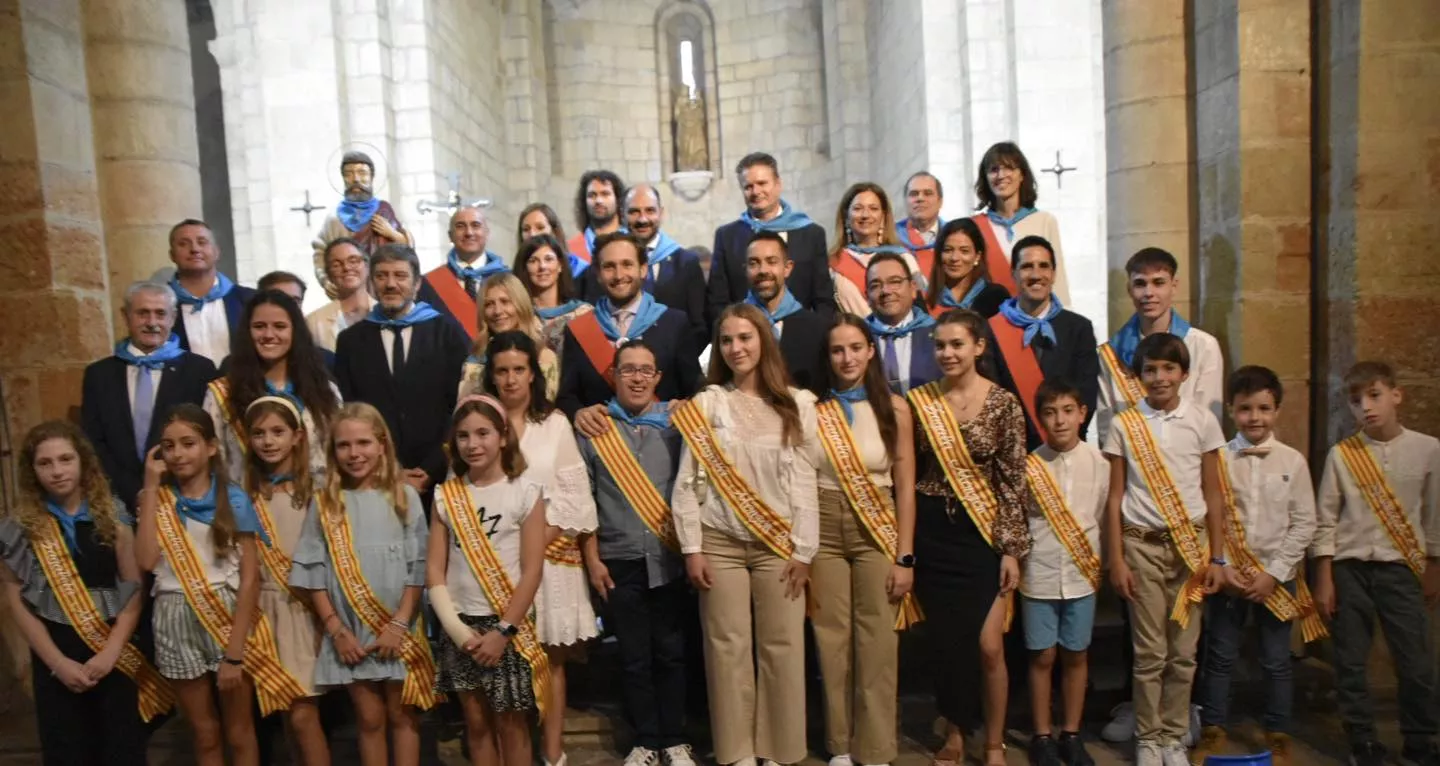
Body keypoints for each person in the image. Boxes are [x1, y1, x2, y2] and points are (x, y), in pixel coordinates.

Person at [672, 303, 819, 766]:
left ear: (764, 342)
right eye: (728, 340)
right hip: (720, 540)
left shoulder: (799, 404)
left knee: (783, 645)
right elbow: (686, 482)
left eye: (745, 338)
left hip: (780, 543)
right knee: (726, 646)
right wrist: (692, 548)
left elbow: (804, 481)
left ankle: (776, 750)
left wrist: (806, 550)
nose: (736, 348)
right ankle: (735, 753)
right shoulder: (707, 403)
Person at [135, 404, 301, 766]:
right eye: (168, 445)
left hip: (227, 617)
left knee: (240, 731)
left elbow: (250, 579)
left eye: (188, 443)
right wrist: (150, 486)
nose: (178, 454)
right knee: (204, 731)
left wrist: (235, 652)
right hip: (174, 615)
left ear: (210, 446)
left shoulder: (234, 498)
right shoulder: (156, 501)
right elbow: (146, 561)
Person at [1, 421, 168, 766]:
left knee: (121, 750)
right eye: (45, 463)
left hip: (112, 655)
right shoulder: (18, 526)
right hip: (56, 661)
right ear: (31, 470)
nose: (57, 471)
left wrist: (110, 653)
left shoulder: (114, 515)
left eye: (65, 459)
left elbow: (133, 588)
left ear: (83, 462)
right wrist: (58, 663)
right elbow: (17, 601)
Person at [905, 309, 1029, 766]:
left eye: (957, 344)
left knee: (988, 645)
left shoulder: (1003, 404)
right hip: (935, 533)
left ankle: (994, 742)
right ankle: (955, 732)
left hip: (983, 535)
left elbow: (1014, 481)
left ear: (979, 346)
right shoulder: (921, 403)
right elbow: (910, 473)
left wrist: (1012, 550)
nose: (948, 353)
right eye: (940, 345)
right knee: (947, 643)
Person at [1102, 333, 1227, 766]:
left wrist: (1218, 556)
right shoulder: (1124, 424)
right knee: (1149, 651)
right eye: (1151, 369)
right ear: (1138, 377)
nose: (1160, 377)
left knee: (1184, 651)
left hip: (1190, 547)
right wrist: (1116, 558)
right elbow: (1115, 496)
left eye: (1168, 369)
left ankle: (1175, 735)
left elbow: (1214, 493)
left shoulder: (1202, 421)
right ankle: (1149, 736)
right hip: (1142, 546)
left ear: (1184, 374)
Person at [289, 403, 438, 766]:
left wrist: (401, 623)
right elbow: (312, 572)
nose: (354, 454)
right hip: (351, 633)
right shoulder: (326, 503)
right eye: (344, 445)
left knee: (403, 716)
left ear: (382, 444)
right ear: (332, 451)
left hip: (399, 628)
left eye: (363, 443)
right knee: (369, 720)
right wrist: (337, 630)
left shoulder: (405, 498)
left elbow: (419, 567)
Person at [1310, 361, 1440, 766]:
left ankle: (1420, 738)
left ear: (1396, 394)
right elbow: (1326, 518)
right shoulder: (1343, 455)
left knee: (1416, 661)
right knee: (1351, 660)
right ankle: (1361, 738)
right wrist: (1324, 575)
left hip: (1401, 568)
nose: (1366, 407)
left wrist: (1433, 566)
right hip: (1350, 570)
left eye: (1375, 395)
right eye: (1356, 400)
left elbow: (1434, 513)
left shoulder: (1428, 449)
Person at [1191, 366, 1322, 766]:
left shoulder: (1293, 461)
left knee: (1276, 659)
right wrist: (1225, 567)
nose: (1255, 417)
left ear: (1277, 410)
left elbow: (1305, 522)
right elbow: (1211, 516)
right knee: (1220, 654)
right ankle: (1213, 727)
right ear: (1231, 410)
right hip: (1229, 574)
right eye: (1246, 408)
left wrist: (1274, 573)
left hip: (1276, 577)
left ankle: (1277, 732)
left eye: (1264, 408)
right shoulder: (1219, 460)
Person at [576, 341, 698, 766]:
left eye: (646, 370)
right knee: (633, 658)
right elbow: (583, 502)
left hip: (669, 558)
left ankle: (675, 739)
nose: (638, 377)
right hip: (618, 560)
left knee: (670, 653)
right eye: (628, 369)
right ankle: (645, 740)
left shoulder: (678, 423)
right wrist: (591, 560)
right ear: (613, 374)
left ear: (658, 377)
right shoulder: (593, 429)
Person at [481, 330, 599, 766]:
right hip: (492, 562)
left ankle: (553, 755)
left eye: (518, 370)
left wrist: (530, 545)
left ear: (533, 374)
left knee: (549, 661)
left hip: (548, 559)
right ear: (490, 377)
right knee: (499, 664)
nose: (510, 379)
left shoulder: (554, 424)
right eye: (502, 371)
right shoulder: (478, 422)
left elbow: (574, 496)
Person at [809, 315, 917, 766]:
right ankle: (839, 745)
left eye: (856, 347)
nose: (847, 358)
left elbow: (906, 485)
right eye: (838, 350)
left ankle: (874, 749)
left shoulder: (895, 409)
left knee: (877, 641)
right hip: (823, 524)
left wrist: (905, 556)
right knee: (831, 641)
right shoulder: (813, 410)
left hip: (877, 526)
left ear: (871, 350)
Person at [429, 395, 549, 766]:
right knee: (476, 724)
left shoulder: (525, 492)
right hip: (462, 628)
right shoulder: (446, 496)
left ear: (502, 436)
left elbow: (532, 569)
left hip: (506, 627)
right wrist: (459, 633)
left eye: (483, 433)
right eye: (463, 436)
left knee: (512, 726)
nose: (473, 444)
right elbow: (435, 570)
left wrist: (503, 631)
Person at [333, 244, 469, 496]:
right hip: (374, 478)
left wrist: (432, 467)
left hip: (440, 476)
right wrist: (390, 470)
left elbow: (459, 406)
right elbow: (351, 412)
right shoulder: (350, 342)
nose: (390, 284)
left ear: (417, 284)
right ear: (371, 283)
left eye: (400, 275)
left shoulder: (447, 334)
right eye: (382, 276)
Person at [1020, 381, 1108, 766]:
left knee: (1076, 653)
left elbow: (1103, 514)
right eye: (1051, 413)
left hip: (1080, 573)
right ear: (1040, 419)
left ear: (1082, 413)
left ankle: (1071, 733)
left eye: (1068, 411)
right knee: (1042, 655)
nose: (1060, 420)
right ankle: (1042, 735)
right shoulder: (1029, 465)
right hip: (1038, 573)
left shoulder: (1101, 463)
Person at [241, 397, 330, 766]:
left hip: (302, 611)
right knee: (284, 715)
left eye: (278, 432)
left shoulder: (316, 494)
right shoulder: (245, 495)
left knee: (303, 714)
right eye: (259, 433)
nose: (268, 441)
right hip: (263, 615)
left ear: (297, 436)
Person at [83, 280, 218, 515]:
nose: (152, 323)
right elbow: (93, 442)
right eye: (142, 313)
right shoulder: (99, 375)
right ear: (126, 316)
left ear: (173, 317)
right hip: (118, 500)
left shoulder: (199, 371)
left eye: (160, 314)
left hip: (183, 498)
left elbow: (207, 439)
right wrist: (134, 491)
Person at [558, 232, 703, 423]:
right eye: (609, 267)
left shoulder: (674, 323)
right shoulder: (579, 329)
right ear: (598, 274)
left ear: (643, 269)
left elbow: (696, 388)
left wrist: (687, 404)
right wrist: (578, 413)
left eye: (627, 264)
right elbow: (567, 397)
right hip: (604, 443)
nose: (619, 276)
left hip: (664, 442)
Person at [204, 290, 341, 483]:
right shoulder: (222, 394)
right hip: (247, 507)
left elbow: (337, 453)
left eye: (279, 326)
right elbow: (214, 462)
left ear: (295, 331)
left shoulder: (325, 390)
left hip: (317, 504)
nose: (269, 335)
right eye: (259, 326)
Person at [1096, 247, 1223, 443]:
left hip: (1188, 460)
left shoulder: (1203, 346)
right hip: (1132, 463)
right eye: (1140, 284)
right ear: (1129, 289)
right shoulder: (1111, 354)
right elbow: (1107, 426)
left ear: (1174, 286)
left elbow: (1209, 421)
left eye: (1158, 283)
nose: (1149, 293)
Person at [987, 236, 1099, 449]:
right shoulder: (991, 329)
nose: (1036, 275)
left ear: (1054, 274)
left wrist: (1064, 440)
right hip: (1012, 452)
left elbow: (1087, 394)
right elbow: (992, 396)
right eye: (1027, 267)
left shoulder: (1079, 328)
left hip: (1065, 449)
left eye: (1043, 266)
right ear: (1014, 274)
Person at [707, 152, 834, 322]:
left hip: (800, 337)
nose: (755, 191)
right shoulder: (727, 236)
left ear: (778, 184)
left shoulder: (811, 234)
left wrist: (815, 336)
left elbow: (823, 299)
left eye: (762, 183)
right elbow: (717, 301)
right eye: (748, 186)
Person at [580, 184, 707, 349]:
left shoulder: (686, 263)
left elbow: (698, 326)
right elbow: (592, 317)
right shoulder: (604, 263)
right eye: (634, 211)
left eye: (650, 211)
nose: (642, 219)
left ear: (661, 213)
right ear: (622, 214)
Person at [971, 142, 1070, 304]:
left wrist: (1063, 321)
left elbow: (1057, 279)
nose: (1001, 175)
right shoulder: (975, 226)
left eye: (1009, 168)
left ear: (1022, 175)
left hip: (1036, 315)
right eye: (994, 170)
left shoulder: (1044, 221)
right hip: (991, 319)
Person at [310, 150, 413, 298]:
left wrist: (392, 234)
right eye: (349, 173)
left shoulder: (384, 210)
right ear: (343, 178)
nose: (356, 179)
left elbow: (406, 252)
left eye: (362, 173)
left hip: (384, 288)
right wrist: (325, 281)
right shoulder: (334, 219)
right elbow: (320, 252)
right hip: (349, 292)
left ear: (371, 177)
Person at [743, 230, 829, 394]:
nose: (763, 270)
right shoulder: (730, 325)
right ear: (745, 269)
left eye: (772, 261)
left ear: (787, 268)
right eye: (754, 263)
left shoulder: (818, 328)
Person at [457, 273, 560, 402]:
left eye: (505, 302)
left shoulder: (543, 356)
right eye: (489, 304)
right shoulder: (474, 359)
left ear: (521, 305)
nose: (497, 311)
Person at [827, 182, 924, 317]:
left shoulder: (904, 258)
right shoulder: (832, 263)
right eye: (857, 208)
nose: (865, 215)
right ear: (846, 217)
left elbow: (920, 310)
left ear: (883, 217)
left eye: (873, 208)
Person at [167, 218, 256, 366]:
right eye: (183, 244)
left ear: (216, 252)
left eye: (202, 242)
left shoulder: (249, 300)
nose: (194, 249)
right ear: (172, 255)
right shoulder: (162, 306)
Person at [418, 207, 509, 340]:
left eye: (476, 225)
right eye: (460, 226)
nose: (469, 233)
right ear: (450, 236)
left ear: (487, 233)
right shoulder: (429, 283)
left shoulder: (509, 279)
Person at [864, 253, 939, 394]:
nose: (885, 291)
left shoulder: (937, 334)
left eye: (895, 282)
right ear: (867, 296)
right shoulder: (858, 338)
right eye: (875, 285)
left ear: (913, 289)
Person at [515, 233, 595, 359]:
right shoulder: (516, 316)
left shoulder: (583, 313)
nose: (542, 266)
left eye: (548, 259)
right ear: (524, 268)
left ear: (560, 265)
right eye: (533, 261)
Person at [925, 218, 1009, 319]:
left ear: (977, 256)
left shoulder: (996, 297)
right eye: (948, 250)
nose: (954, 258)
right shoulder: (924, 301)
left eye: (964, 251)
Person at [307, 238, 375, 353]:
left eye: (353, 261)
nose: (347, 268)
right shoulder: (313, 322)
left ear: (367, 267)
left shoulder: (386, 314)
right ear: (328, 274)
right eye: (336, 264)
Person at [567, 170, 627, 274]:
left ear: (618, 200)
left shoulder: (636, 243)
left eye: (605, 194)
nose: (598, 200)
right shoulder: (571, 250)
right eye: (592, 195)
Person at [518, 202, 590, 281]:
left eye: (540, 227)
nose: (532, 234)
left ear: (554, 232)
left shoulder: (581, 270)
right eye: (526, 229)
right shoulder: (517, 276)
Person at [896, 171, 944, 280]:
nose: (920, 199)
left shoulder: (952, 234)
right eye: (913, 194)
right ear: (905, 201)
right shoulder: (891, 237)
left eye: (928, 193)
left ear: (940, 201)